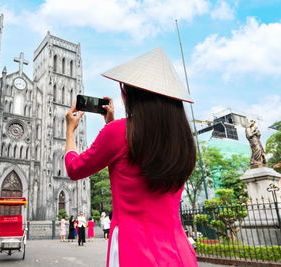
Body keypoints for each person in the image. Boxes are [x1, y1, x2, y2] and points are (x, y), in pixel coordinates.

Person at [65, 47, 198, 266]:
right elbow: (134, 153)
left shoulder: (119, 133)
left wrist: (70, 130)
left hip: (134, 253)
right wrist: (111, 124)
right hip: (180, 254)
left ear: (128, 96)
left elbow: (74, 168)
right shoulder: (182, 142)